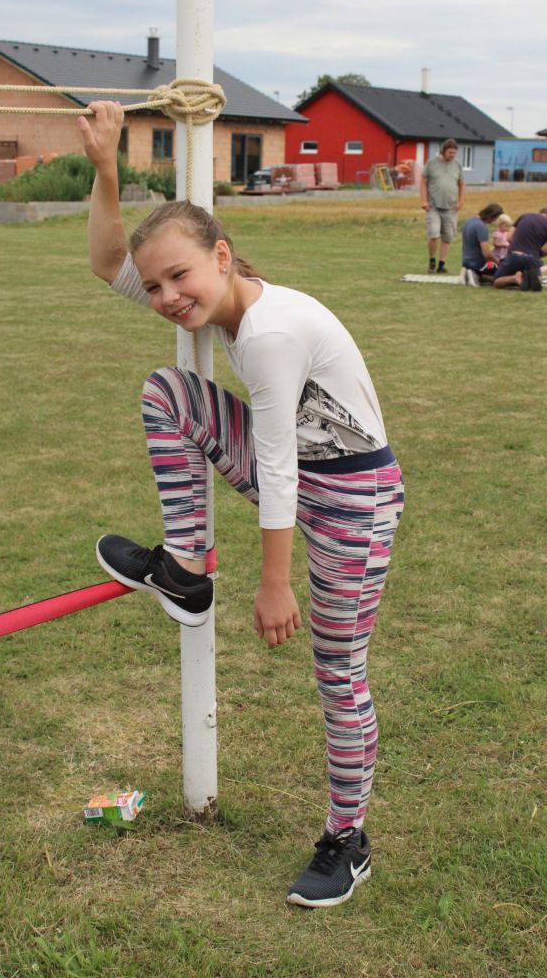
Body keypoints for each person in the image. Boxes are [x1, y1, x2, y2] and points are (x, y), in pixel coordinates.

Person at [78, 101, 405, 910]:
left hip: (356, 497)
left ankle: (348, 840)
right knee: (169, 392)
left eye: (179, 276)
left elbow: (281, 468)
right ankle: (186, 571)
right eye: (156, 285)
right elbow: (107, 260)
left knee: (338, 672)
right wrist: (106, 166)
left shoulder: (269, 333)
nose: (165, 296)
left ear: (221, 257)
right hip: (302, 475)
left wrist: (274, 583)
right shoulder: (217, 299)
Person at [420, 138, 466, 274]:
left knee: (447, 237)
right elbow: (423, 182)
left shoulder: (457, 165)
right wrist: (424, 201)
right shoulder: (431, 163)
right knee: (434, 234)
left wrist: (461, 201)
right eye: (450, 152)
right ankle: (432, 261)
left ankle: (441, 265)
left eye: (454, 153)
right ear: (443, 151)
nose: (452, 155)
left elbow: (462, 184)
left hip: (451, 207)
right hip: (433, 206)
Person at [492, 208, 547, 292]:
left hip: (514, 255)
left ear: (538, 213)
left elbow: (509, 238)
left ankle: (514, 278)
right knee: (532, 271)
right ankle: (530, 277)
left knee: (497, 282)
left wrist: (516, 245)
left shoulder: (524, 216)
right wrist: (538, 254)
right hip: (532, 259)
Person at [460, 202, 504, 286]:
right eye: (495, 218)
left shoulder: (469, 221)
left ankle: (473, 273)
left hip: (466, 261)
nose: (495, 221)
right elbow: (486, 253)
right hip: (478, 263)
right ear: (491, 216)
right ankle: (477, 274)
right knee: (503, 274)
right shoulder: (481, 227)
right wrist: (498, 262)